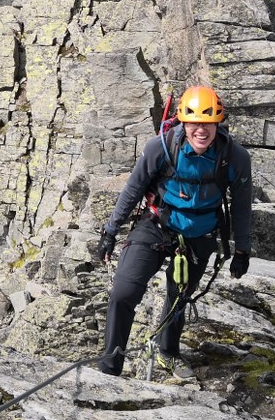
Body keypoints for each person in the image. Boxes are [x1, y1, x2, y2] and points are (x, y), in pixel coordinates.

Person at [95, 85, 253, 379]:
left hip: (200, 234)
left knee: (179, 296)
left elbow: (242, 206)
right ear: (183, 122)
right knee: (123, 292)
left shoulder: (235, 158)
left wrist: (242, 250)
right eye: (194, 123)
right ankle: (109, 368)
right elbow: (133, 190)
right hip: (156, 225)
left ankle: (168, 351)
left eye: (207, 124)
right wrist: (110, 231)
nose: (201, 130)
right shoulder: (162, 148)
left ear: (218, 123)